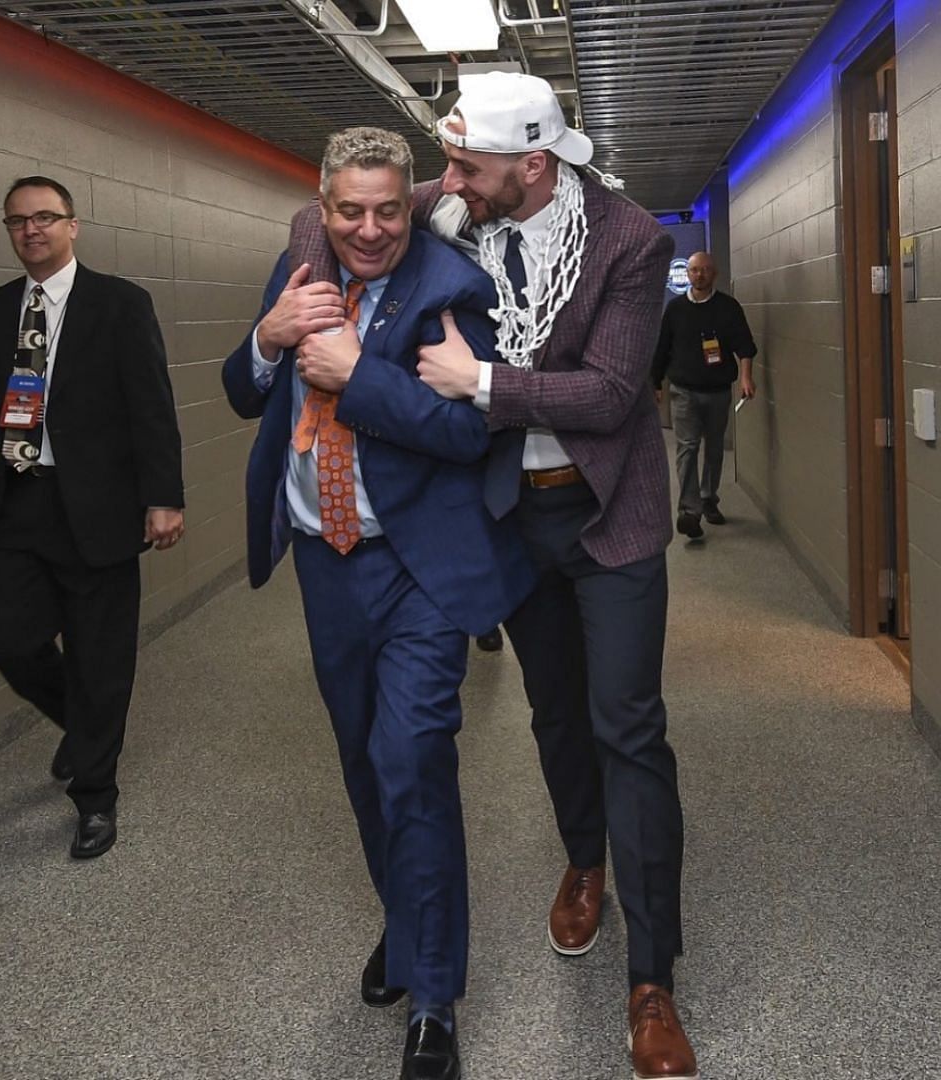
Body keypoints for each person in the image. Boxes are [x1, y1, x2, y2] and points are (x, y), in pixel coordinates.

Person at [305, 72, 693, 1080]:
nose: (448, 183)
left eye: (467, 167)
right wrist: (293, 296)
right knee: (556, 713)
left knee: (629, 725)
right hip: (507, 519)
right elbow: (337, 225)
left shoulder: (631, 242)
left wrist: (478, 382)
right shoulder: (452, 212)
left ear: (531, 164)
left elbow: (610, 394)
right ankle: (584, 857)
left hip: (609, 514)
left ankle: (652, 980)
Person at [223, 127, 533, 1080]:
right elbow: (244, 394)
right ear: (324, 208)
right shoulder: (296, 267)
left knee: (412, 760)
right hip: (327, 566)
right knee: (362, 761)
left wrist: (361, 380)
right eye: (350, 211)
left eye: (388, 210)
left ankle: (434, 994)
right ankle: (406, 925)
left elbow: (462, 433)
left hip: (418, 571)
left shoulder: (453, 287)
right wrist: (266, 343)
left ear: (415, 203)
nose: (368, 229)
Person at [0, 175, 185, 859]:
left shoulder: (119, 304)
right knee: (10, 641)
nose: (32, 230)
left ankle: (95, 797)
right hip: (18, 500)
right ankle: (81, 726)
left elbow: (151, 403)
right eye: (18, 222)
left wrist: (164, 496)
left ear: (73, 225)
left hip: (98, 508)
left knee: (100, 658)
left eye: (45, 218)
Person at [652, 250, 758, 539]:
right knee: (687, 448)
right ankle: (690, 510)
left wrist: (746, 378)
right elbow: (661, 349)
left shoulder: (728, 307)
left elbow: (745, 346)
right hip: (683, 391)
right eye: (695, 270)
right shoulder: (674, 310)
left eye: (706, 270)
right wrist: (655, 384)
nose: (700, 275)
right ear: (687, 274)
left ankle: (708, 497)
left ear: (715, 274)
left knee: (713, 448)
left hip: (718, 391)